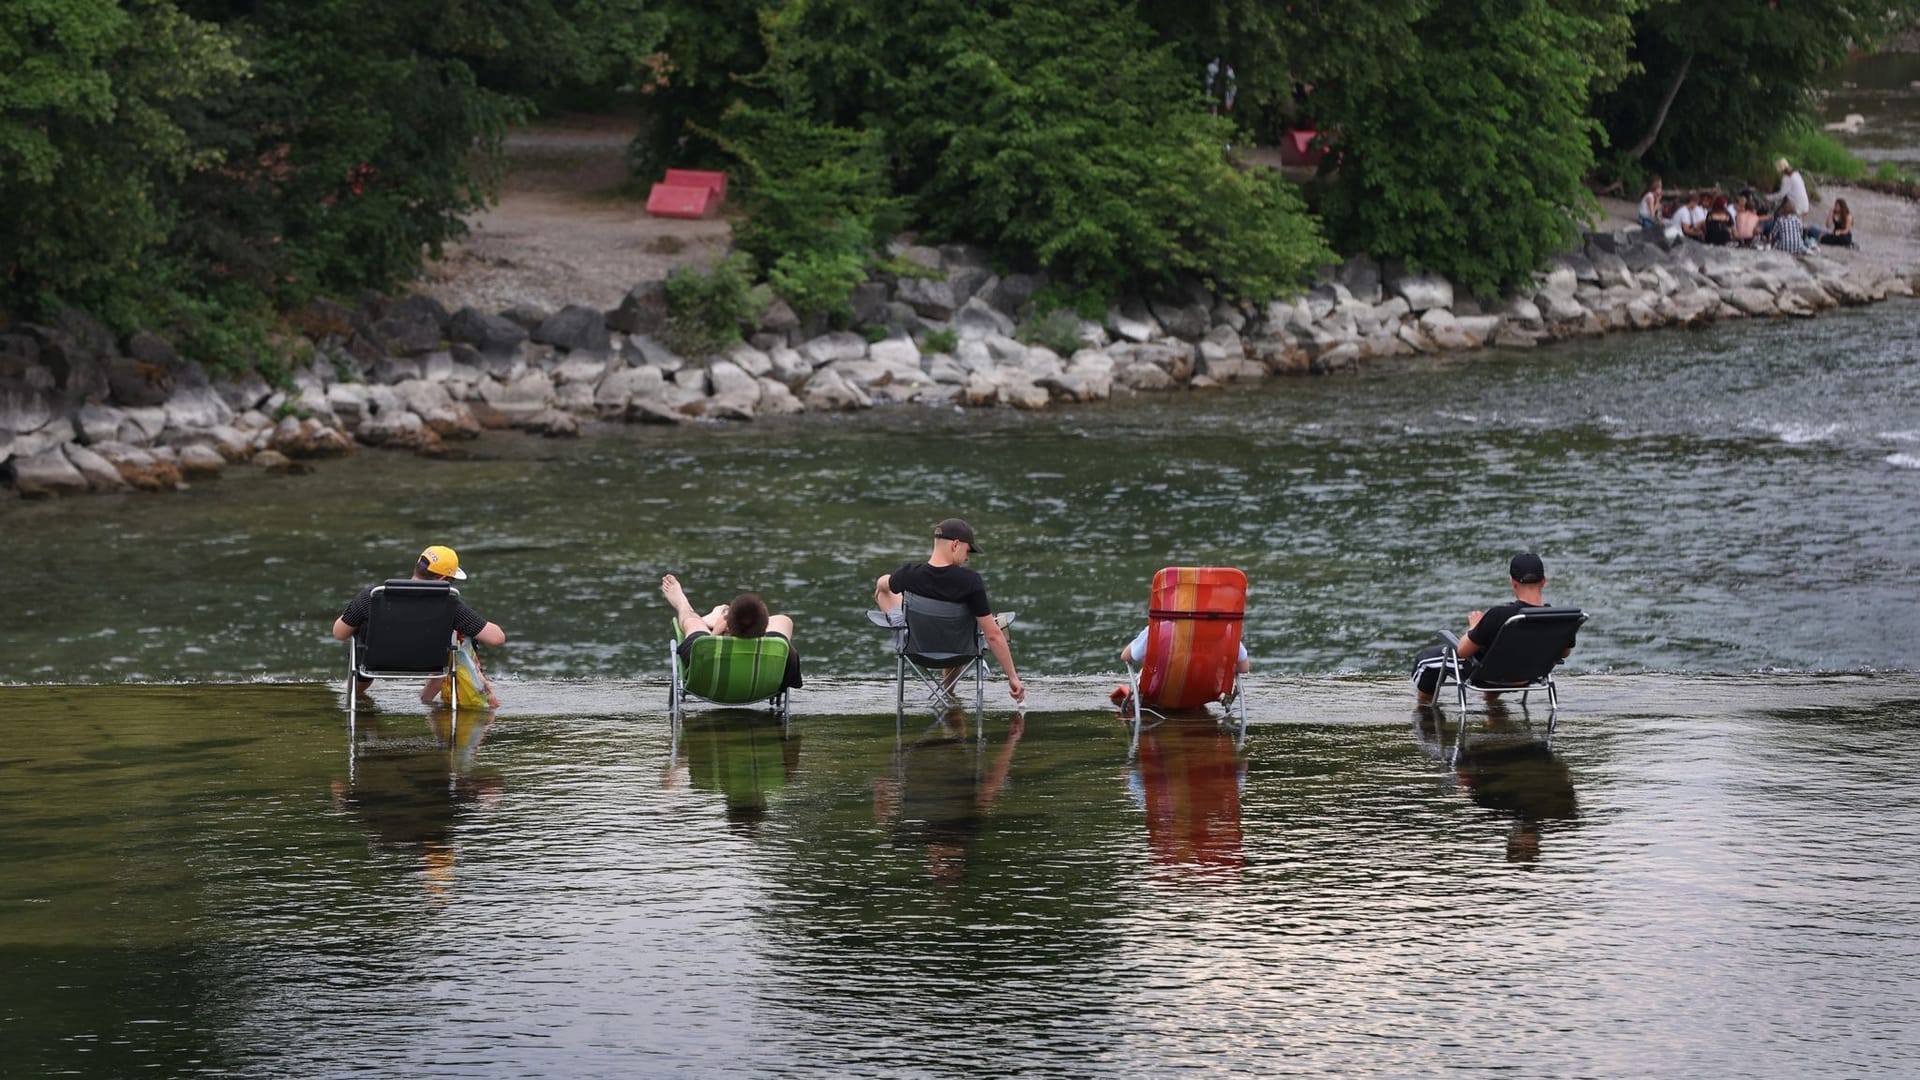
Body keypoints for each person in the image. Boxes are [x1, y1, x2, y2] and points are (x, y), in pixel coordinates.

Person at [873, 518, 1025, 704]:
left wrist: (887, 582)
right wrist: (1013, 677)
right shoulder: (970, 582)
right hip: (959, 650)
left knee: (884, 592)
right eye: (968, 551)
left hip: (915, 648)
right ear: (955, 545)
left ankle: (944, 689)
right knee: (979, 624)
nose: (968, 558)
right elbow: (992, 635)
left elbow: (882, 585)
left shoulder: (909, 574)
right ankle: (948, 692)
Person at [333, 544, 506, 706]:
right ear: (443, 579)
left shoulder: (372, 597)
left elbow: (339, 633)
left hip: (374, 663)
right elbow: (496, 638)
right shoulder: (450, 605)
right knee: (458, 636)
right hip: (432, 664)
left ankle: (356, 696)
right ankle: (426, 699)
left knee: (362, 631)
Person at [1410, 552, 1573, 703]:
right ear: (1544, 580)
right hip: (1531, 675)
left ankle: (1425, 711)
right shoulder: (1560, 618)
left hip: (1488, 677)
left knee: (1426, 659)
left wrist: (1474, 626)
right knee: (1501, 653)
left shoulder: (1499, 615)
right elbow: (1564, 652)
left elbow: (1463, 651)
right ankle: (1493, 713)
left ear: (1513, 582)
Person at [660, 574, 803, 690]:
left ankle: (685, 604)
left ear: (727, 624)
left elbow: (699, 652)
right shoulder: (782, 650)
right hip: (762, 688)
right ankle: (729, 620)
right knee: (783, 620)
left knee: (691, 621)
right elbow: (792, 680)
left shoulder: (698, 648)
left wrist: (715, 633)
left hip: (709, 679)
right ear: (765, 626)